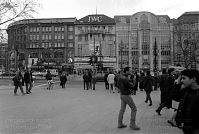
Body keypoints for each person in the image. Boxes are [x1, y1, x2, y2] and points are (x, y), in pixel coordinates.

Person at [175, 69, 199, 134]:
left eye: (183, 78)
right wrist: (178, 83)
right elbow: (175, 97)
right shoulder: (186, 90)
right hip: (187, 128)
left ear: (193, 79)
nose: (182, 80)